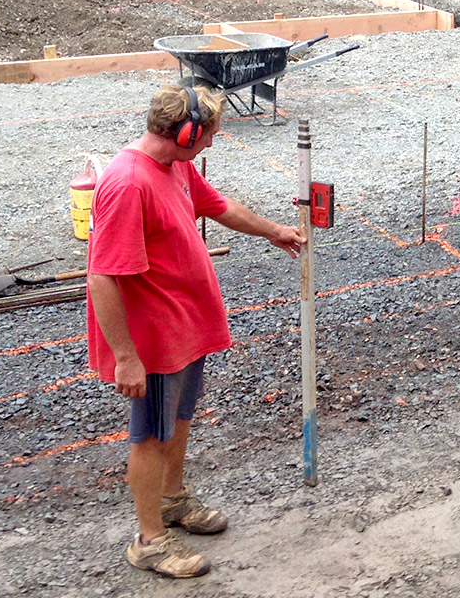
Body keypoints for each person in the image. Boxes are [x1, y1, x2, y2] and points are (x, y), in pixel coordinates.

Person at [86, 84, 305, 579]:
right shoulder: (127, 183)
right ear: (186, 132)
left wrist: (274, 231)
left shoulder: (175, 165)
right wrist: (125, 356)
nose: (210, 144)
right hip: (154, 339)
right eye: (208, 136)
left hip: (185, 326)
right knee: (150, 435)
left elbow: (218, 206)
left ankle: (171, 500)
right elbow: (102, 275)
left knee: (178, 420)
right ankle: (149, 540)